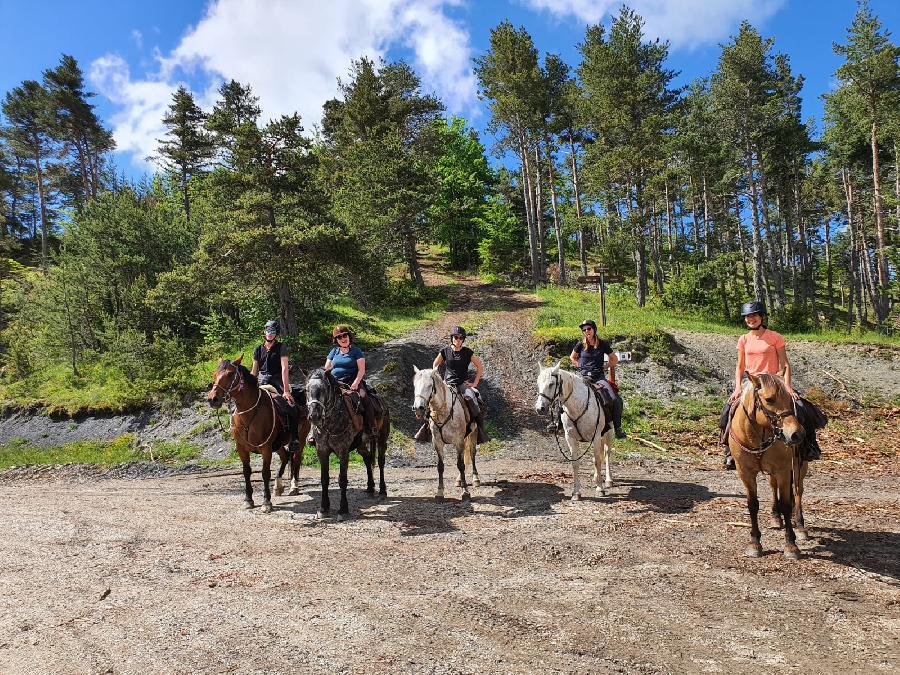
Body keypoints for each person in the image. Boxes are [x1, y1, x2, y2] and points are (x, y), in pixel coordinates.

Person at [720, 300, 824, 469]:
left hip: (774, 380)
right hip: (752, 382)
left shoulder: (775, 337)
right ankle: (729, 449)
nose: (750, 319)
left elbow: (785, 364)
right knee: (728, 409)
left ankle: (809, 446)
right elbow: (740, 366)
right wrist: (738, 387)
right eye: (747, 317)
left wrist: (788, 386)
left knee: (800, 407)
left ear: (762, 317)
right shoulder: (743, 339)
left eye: (753, 316)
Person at [415, 326, 489, 444]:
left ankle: (480, 431)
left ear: (463, 340)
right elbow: (435, 363)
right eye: (456, 337)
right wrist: (436, 377)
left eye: (461, 338)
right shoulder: (445, 351)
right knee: (432, 400)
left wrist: (475, 383)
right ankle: (426, 429)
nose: (458, 340)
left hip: (462, 384)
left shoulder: (467, 352)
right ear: (452, 338)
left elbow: (480, 366)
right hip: (447, 384)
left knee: (472, 399)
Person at [569, 319, 626, 439]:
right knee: (566, 394)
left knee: (616, 400)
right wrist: (579, 365)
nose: (586, 331)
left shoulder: (603, 344)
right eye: (584, 330)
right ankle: (558, 424)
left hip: (598, 377)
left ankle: (617, 428)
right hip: (583, 378)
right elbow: (572, 357)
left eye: (588, 329)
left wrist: (605, 366)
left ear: (594, 329)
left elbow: (614, 359)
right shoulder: (580, 344)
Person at [324, 325, 376, 435]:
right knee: (318, 399)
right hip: (335, 383)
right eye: (339, 337)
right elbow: (326, 369)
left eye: (345, 335)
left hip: (352, 382)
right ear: (336, 340)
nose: (343, 339)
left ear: (349, 336)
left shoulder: (356, 351)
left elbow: (361, 370)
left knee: (363, 397)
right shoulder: (333, 352)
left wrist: (356, 383)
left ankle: (371, 427)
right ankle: (317, 433)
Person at [251, 319, 293, 404]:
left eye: (273, 331)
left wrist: (286, 391)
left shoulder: (281, 347)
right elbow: (254, 372)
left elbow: (284, 369)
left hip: (277, 380)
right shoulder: (258, 349)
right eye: (268, 330)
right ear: (265, 332)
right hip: (261, 381)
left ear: (276, 334)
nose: (270, 333)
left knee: (289, 404)